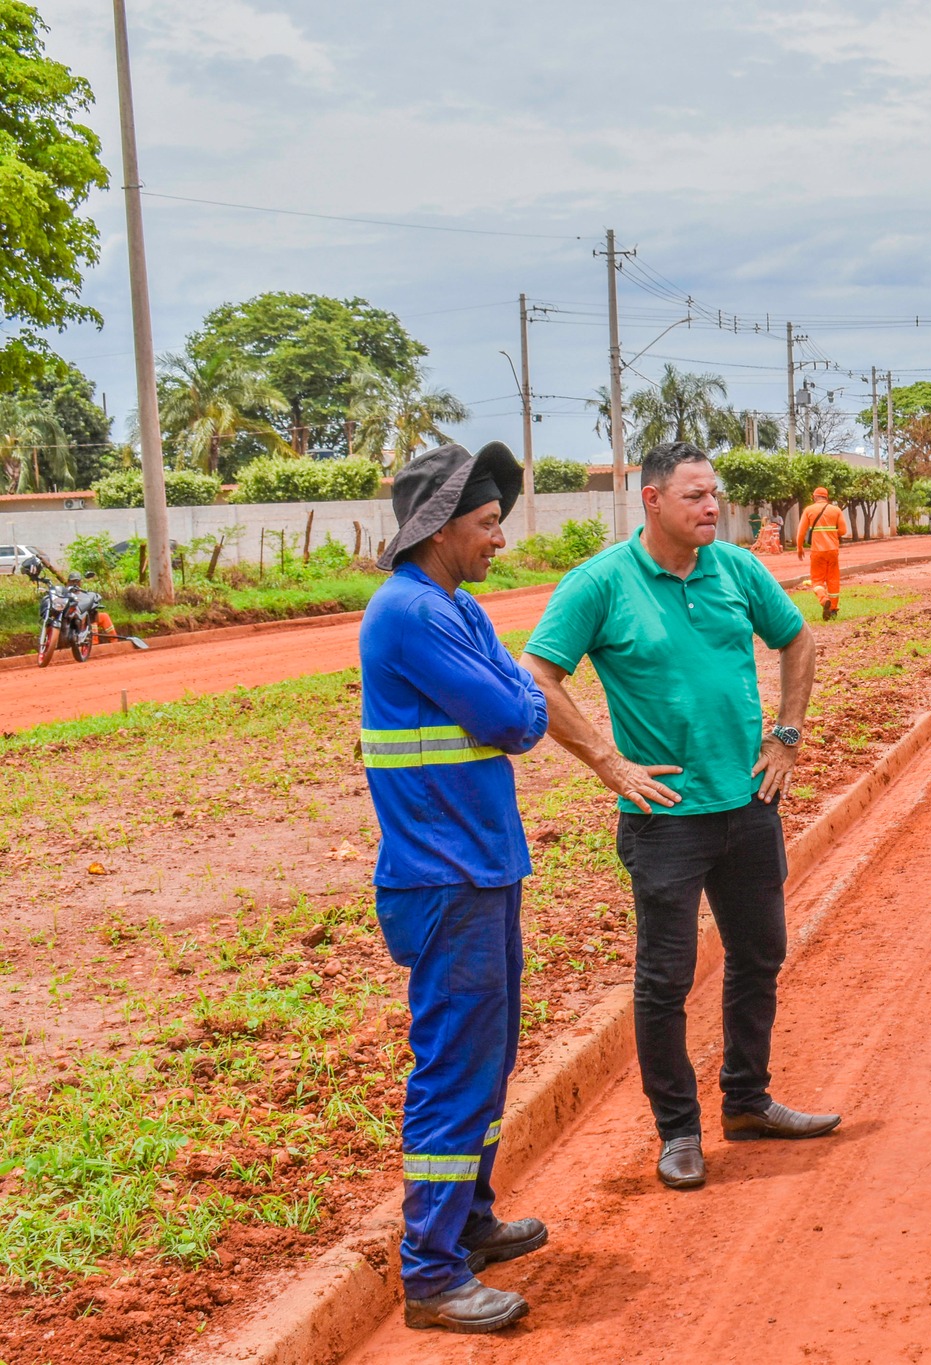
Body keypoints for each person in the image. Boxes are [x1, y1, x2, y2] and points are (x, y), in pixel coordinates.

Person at [520, 441, 839, 1195]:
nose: (712, 506)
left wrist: (787, 735)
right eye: (695, 494)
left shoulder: (737, 568)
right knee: (664, 980)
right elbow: (537, 675)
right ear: (652, 500)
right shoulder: (599, 582)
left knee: (759, 954)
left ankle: (748, 1100)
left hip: (749, 802)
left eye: (715, 494)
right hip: (664, 818)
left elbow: (798, 637)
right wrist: (608, 761)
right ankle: (679, 1132)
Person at [358, 442, 551, 1335]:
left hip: (479, 867)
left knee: (487, 1059)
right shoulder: (411, 615)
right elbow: (519, 714)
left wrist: (519, 694)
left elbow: (516, 699)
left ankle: (469, 1224)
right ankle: (431, 1271)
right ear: (438, 530)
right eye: (485, 524)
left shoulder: (455, 608)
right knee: (452, 1069)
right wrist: (522, 696)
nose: (498, 539)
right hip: (445, 878)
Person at [794, 486, 846, 619]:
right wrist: (832, 533)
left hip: (817, 551)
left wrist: (799, 547)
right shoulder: (836, 510)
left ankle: (823, 599)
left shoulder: (809, 510)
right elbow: (843, 531)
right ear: (827, 497)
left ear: (814, 497)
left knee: (817, 580)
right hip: (833, 551)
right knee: (833, 579)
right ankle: (833, 610)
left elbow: (801, 532)